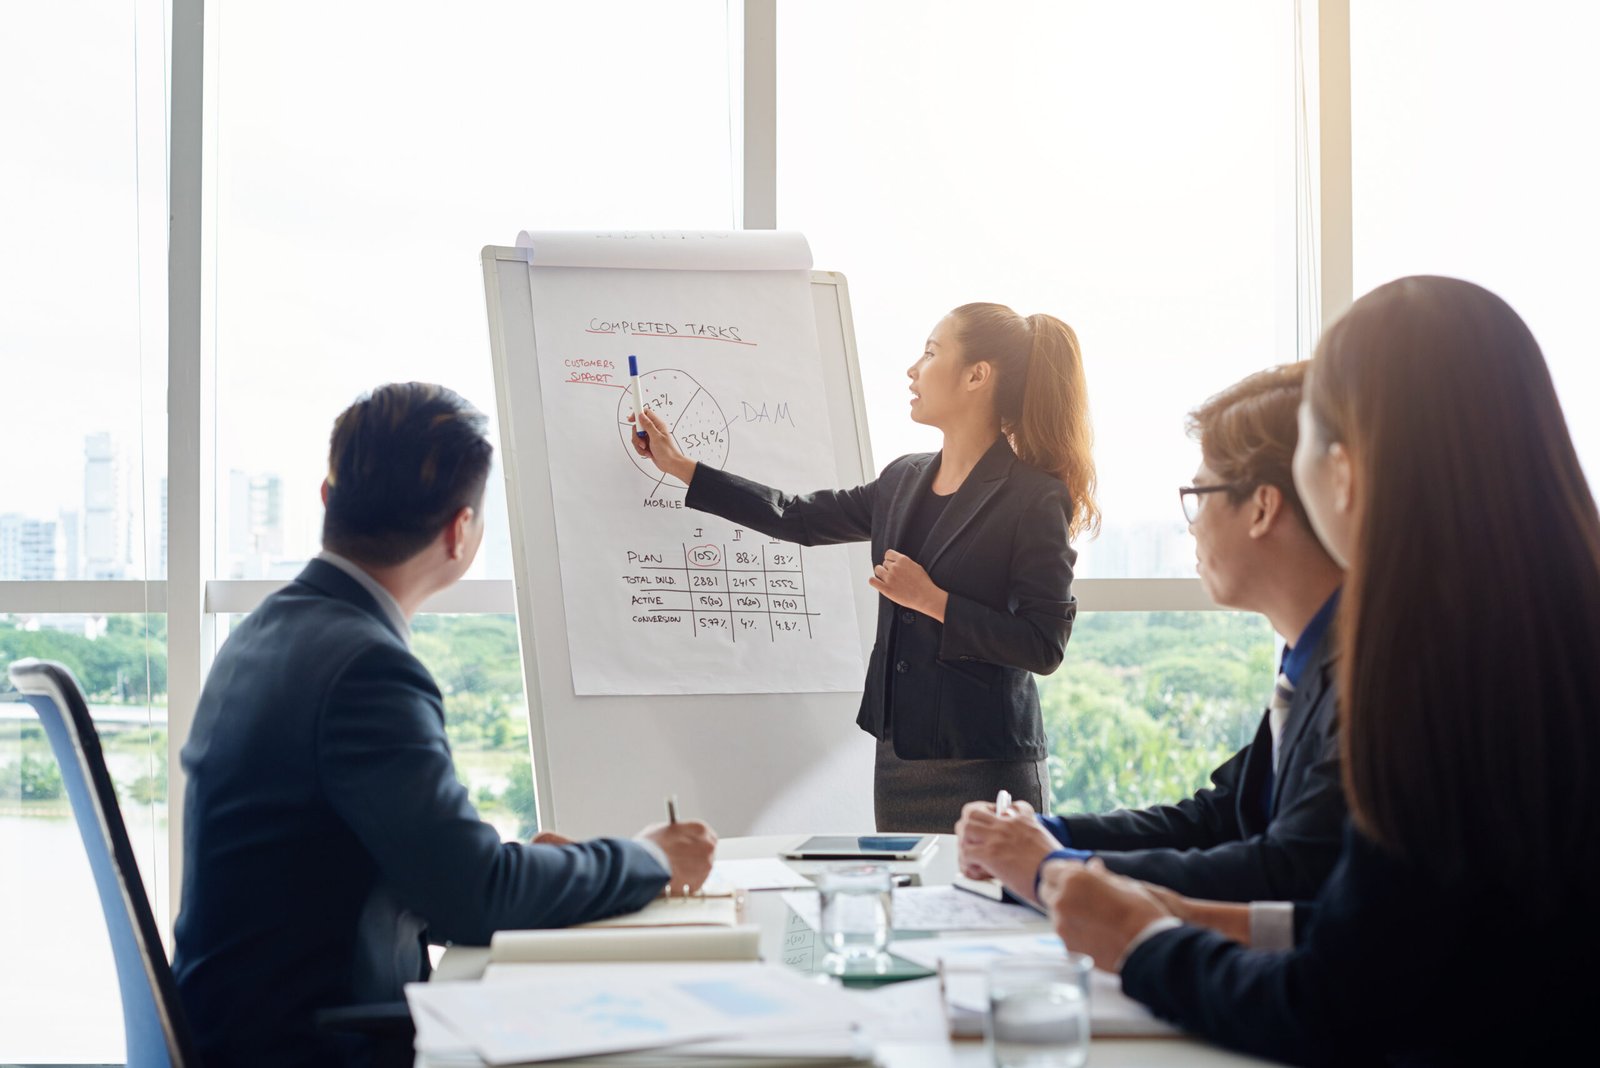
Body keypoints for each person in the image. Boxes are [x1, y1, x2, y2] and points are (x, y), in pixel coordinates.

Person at [1039, 277, 1600, 1065]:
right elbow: (1415, 936)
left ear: (1343, 469)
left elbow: (1337, 1005)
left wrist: (1141, 940)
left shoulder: (1428, 678)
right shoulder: (1538, 632)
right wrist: (1192, 914)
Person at [173, 383, 717, 1067]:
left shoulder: (268, 631)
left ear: (325, 498)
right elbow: (475, 897)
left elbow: (376, 866)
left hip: (242, 1030)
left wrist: (539, 867)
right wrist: (650, 858)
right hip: (312, 1046)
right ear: (461, 533)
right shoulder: (365, 667)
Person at [632, 303, 1097, 832]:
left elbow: (1043, 645)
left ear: (977, 375)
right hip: (898, 754)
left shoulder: (1033, 497)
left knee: (984, 912)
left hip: (986, 763)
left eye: (930, 352)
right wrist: (681, 467)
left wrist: (932, 600)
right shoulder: (903, 478)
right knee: (905, 909)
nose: (912, 369)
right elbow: (800, 517)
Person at [956, 363, 1347, 908]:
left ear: (1262, 507)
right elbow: (1222, 817)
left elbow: (1285, 872)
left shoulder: (1369, 683)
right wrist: (1048, 838)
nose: (1192, 523)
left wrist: (1050, 869)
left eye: (1200, 493)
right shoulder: (1309, 660)